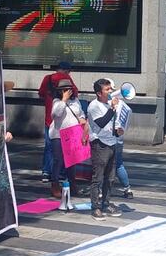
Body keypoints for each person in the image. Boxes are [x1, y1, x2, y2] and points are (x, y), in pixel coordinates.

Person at [87, 79, 124, 220]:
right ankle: (95, 207)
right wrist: (113, 108)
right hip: (99, 144)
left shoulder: (109, 104)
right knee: (98, 178)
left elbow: (112, 123)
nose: (110, 92)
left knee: (110, 177)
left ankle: (106, 203)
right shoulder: (94, 106)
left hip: (111, 142)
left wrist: (118, 131)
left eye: (110, 89)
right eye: (107, 89)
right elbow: (101, 123)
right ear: (98, 93)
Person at [38, 62, 77, 190]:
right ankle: (60, 175)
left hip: (48, 119)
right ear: (66, 70)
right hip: (62, 123)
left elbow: (41, 93)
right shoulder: (66, 79)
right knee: (64, 154)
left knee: (49, 148)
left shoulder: (47, 78)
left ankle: (46, 172)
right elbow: (75, 92)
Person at [49, 77, 88, 194]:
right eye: (64, 89)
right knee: (58, 160)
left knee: (72, 161)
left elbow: (80, 112)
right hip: (58, 134)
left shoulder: (75, 100)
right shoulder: (56, 101)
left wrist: (81, 118)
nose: (67, 91)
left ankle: (72, 184)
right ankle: (55, 184)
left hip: (72, 134)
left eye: (69, 89)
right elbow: (56, 114)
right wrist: (63, 100)